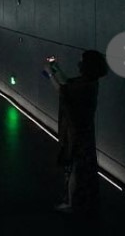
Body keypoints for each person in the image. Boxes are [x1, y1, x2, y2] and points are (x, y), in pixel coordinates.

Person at [44, 50, 108, 215]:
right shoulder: (89, 82)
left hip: (77, 131)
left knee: (75, 168)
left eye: (82, 61)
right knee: (78, 167)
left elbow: (63, 90)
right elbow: (67, 84)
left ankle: (73, 203)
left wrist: (50, 73)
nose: (79, 63)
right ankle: (78, 202)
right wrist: (55, 67)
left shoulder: (85, 85)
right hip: (82, 130)